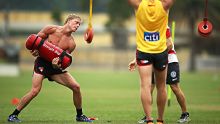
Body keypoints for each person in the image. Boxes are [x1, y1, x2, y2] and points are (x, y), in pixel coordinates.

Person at [8, 14, 92, 123]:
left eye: (79, 25)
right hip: (42, 63)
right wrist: (34, 51)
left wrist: (57, 65)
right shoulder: (51, 29)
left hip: (54, 68)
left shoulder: (71, 43)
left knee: (76, 87)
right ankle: (13, 115)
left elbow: (63, 62)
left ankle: (79, 116)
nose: (77, 26)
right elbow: (35, 43)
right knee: (35, 91)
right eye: (76, 22)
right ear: (69, 21)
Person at [130, 27, 191, 123]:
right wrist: (136, 60)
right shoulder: (146, 26)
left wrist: (158, 54)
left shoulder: (163, 25)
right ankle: (147, 116)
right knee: (149, 88)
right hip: (153, 60)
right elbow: (143, 48)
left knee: (174, 87)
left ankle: (185, 114)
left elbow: (170, 44)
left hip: (170, 60)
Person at [127, 0, 174, 124]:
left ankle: (149, 120)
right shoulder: (164, 5)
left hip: (143, 51)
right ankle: (160, 120)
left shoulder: (138, 5)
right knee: (161, 87)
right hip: (160, 51)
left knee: (145, 86)